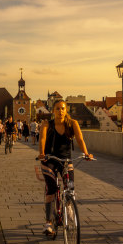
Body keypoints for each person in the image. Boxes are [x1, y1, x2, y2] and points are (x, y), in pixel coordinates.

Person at [38, 100, 93, 235]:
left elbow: (80, 139)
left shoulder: (72, 124)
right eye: (57, 109)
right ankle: (48, 223)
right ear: (53, 111)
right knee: (51, 188)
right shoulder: (47, 124)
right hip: (49, 159)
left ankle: (68, 206)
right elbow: (42, 139)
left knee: (70, 187)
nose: (60, 111)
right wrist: (42, 154)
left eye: (62, 108)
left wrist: (86, 153)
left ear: (66, 110)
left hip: (66, 160)